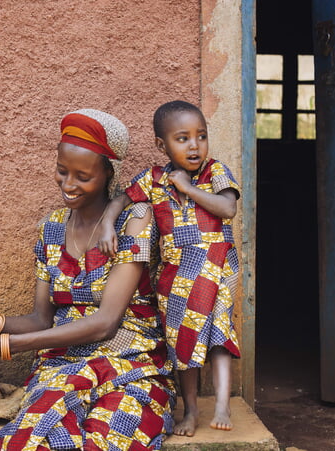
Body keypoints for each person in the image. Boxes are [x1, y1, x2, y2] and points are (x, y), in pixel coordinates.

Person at [0, 109, 175, 450]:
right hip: (60, 367)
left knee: (109, 438)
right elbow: (41, 319)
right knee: (37, 438)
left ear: (108, 173)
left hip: (129, 367)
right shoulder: (51, 228)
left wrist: (4, 347)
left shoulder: (135, 220)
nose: (69, 185)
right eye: (62, 171)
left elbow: (106, 323)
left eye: (83, 176)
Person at [96, 100, 241, 436]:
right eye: (183, 138)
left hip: (216, 270)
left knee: (219, 337)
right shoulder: (153, 179)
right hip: (176, 278)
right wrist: (107, 224)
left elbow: (228, 208)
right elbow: (122, 198)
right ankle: (190, 410)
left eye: (201, 136)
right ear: (162, 145)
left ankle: (222, 404)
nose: (195, 145)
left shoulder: (214, 172)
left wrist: (188, 187)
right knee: (181, 344)